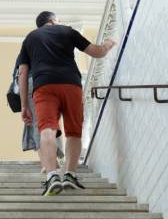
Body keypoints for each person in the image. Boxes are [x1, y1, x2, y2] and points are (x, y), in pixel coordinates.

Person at [17, 11, 116, 196]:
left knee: (47, 129)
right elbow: (97, 52)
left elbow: (22, 73)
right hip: (71, 84)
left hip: (44, 86)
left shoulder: (30, 38)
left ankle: (52, 175)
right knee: (73, 132)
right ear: (53, 20)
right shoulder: (67, 31)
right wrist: (109, 44)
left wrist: (24, 105)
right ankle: (70, 174)